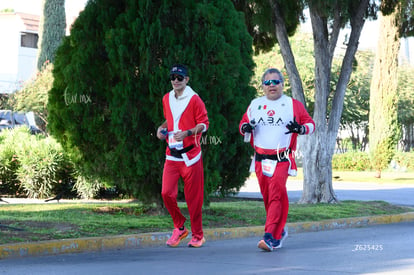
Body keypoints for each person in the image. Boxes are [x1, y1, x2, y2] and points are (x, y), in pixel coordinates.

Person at [239, 68, 315, 252]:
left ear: (282, 84)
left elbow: (310, 124)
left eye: (275, 82)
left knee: (276, 193)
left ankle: (269, 235)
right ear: (263, 86)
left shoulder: (292, 104)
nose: (271, 86)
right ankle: (279, 232)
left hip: (281, 157)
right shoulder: (255, 104)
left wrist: (300, 129)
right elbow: (242, 125)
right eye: (267, 83)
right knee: (269, 197)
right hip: (260, 159)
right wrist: (245, 127)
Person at [156, 64, 209, 248]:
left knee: (194, 199)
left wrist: (187, 133)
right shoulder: (166, 98)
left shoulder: (195, 99)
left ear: (187, 79)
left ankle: (198, 235)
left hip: (191, 156)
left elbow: (204, 124)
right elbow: (170, 120)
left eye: (180, 77)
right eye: (173, 77)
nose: (175, 81)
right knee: (166, 193)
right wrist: (161, 129)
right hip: (172, 154)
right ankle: (179, 227)